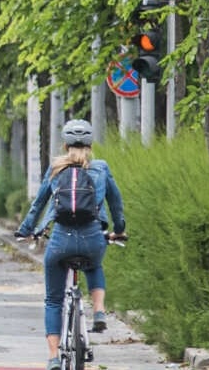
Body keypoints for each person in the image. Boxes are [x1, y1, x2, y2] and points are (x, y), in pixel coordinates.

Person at [14, 119, 126, 370]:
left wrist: (25, 231)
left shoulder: (55, 169)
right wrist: (119, 230)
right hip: (92, 238)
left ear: (64, 145)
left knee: (54, 301)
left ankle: (54, 357)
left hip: (60, 241)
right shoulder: (101, 168)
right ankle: (99, 312)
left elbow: (39, 203)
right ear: (91, 144)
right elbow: (116, 204)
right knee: (95, 264)